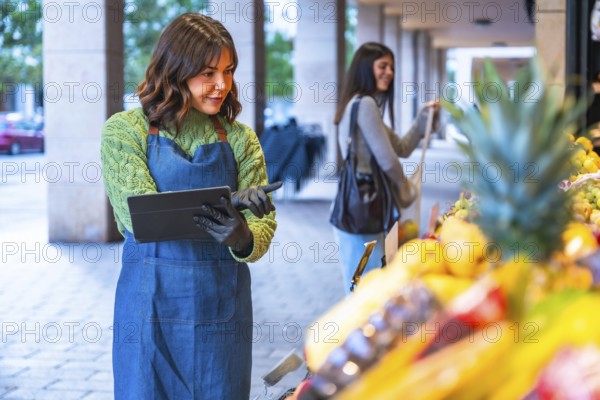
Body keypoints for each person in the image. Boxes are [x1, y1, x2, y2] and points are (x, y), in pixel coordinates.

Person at [100, 13, 279, 399]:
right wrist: (228, 202)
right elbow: (140, 217)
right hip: (149, 313)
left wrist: (244, 237)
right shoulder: (124, 130)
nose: (221, 85)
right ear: (175, 69)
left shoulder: (241, 138)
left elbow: (262, 229)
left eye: (228, 72)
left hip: (222, 313)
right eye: (208, 73)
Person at [332, 42, 439, 294]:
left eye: (391, 67)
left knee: (363, 287)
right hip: (362, 212)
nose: (389, 72)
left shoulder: (360, 105)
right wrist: (407, 193)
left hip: (360, 210)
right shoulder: (365, 105)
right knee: (366, 291)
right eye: (382, 66)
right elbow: (388, 160)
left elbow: (402, 147)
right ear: (365, 68)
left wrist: (425, 117)